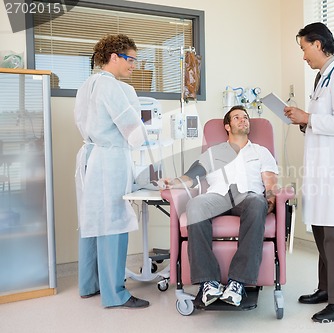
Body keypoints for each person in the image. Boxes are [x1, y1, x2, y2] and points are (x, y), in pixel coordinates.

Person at [283, 22, 334, 323]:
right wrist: (304, 121)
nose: (303, 55)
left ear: (317, 44)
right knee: (322, 230)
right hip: (321, 169)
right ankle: (327, 288)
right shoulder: (322, 78)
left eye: (304, 48)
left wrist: (309, 117)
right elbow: (323, 122)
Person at [163, 105, 279, 307]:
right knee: (195, 205)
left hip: (247, 196)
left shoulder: (261, 152)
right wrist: (174, 183)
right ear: (227, 126)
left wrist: (268, 203)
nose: (243, 120)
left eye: (245, 117)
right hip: (218, 196)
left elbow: (270, 183)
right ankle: (209, 282)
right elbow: (193, 176)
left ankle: (238, 282)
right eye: (237, 117)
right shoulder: (213, 152)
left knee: (257, 202)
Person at [74, 34, 150, 309]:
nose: (134, 66)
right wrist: (151, 132)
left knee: (92, 221)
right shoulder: (113, 88)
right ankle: (115, 293)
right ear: (114, 57)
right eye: (131, 60)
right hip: (109, 161)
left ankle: (89, 284)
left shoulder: (87, 85)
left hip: (91, 158)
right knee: (114, 225)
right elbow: (134, 133)